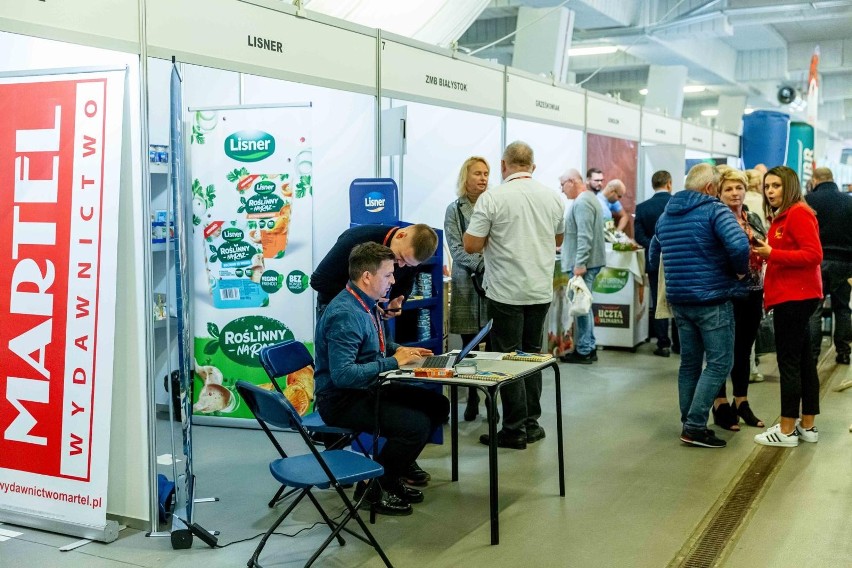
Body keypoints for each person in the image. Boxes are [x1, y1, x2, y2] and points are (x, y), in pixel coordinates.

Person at [313, 242, 450, 514]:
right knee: (415, 426)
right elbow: (342, 376)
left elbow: (379, 344)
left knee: (437, 406)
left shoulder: (365, 303)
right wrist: (393, 361)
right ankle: (376, 488)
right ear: (367, 276)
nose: (393, 280)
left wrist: (401, 350)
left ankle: (391, 476)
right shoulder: (345, 314)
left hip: (366, 387)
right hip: (341, 400)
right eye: (388, 275)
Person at [463, 141, 564, 449]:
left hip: (506, 291)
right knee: (533, 356)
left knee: (506, 358)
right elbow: (557, 238)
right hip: (539, 290)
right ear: (532, 166)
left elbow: (471, 245)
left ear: (504, 166)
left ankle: (513, 428)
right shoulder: (553, 198)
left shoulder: (493, 198)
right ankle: (532, 423)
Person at [649, 163, 749, 449]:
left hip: (680, 301)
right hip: (713, 299)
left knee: (690, 364)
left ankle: (688, 421)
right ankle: (694, 426)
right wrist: (739, 272)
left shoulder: (666, 214)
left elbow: (654, 254)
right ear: (709, 188)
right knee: (720, 363)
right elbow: (740, 245)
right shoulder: (715, 210)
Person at [752, 166, 823, 447]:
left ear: (789, 186)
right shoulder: (783, 215)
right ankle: (807, 425)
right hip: (792, 296)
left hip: (795, 297)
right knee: (804, 362)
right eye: (767, 186)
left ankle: (786, 429)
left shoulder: (797, 213)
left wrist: (772, 253)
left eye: (776, 186)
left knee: (790, 363)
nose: (770, 191)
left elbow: (813, 254)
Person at [710, 169, 766, 432]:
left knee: (744, 348)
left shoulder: (752, 217)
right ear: (719, 193)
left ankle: (741, 402)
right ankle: (719, 403)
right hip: (726, 290)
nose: (735, 193)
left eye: (738, 188)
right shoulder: (716, 218)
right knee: (722, 351)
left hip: (754, 290)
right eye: (729, 189)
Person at [445, 157, 492, 421]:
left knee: (493, 346)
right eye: (477, 173)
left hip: (492, 284)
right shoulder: (454, 209)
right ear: (466, 177)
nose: (483, 178)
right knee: (468, 347)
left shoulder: (494, 205)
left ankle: (490, 401)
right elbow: (455, 248)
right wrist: (482, 264)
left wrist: (489, 266)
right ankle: (472, 399)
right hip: (466, 284)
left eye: (486, 173)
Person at [310, 223, 439, 316]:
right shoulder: (356, 239)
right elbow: (319, 280)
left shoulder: (410, 256)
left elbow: (407, 280)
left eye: (408, 264)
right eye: (400, 257)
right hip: (336, 309)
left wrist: (399, 299)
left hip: (370, 309)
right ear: (400, 236)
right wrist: (363, 296)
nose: (400, 265)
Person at [805, 167, 852, 365]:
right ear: (831, 179)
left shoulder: (808, 201)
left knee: (814, 309)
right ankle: (843, 352)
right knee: (842, 308)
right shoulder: (849, 201)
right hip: (845, 263)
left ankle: (812, 355)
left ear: (815, 180)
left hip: (816, 262)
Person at [561, 165, 606, 365]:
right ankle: (588, 345)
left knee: (581, 307)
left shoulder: (582, 203)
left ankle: (585, 349)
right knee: (585, 305)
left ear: (572, 182)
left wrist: (579, 263)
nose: (562, 189)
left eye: (563, 185)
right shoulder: (588, 199)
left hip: (584, 264)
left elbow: (584, 236)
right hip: (588, 262)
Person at [634, 170, 675, 357]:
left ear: (653, 185)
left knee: (659, 301)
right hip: (677, 259)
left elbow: (639, 236)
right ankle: (680, 343)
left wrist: (656, 245)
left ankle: (663, 343)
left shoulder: (642, 208)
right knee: (679, 300)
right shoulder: (677, 204)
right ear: (669, 183)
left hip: (654, 261)